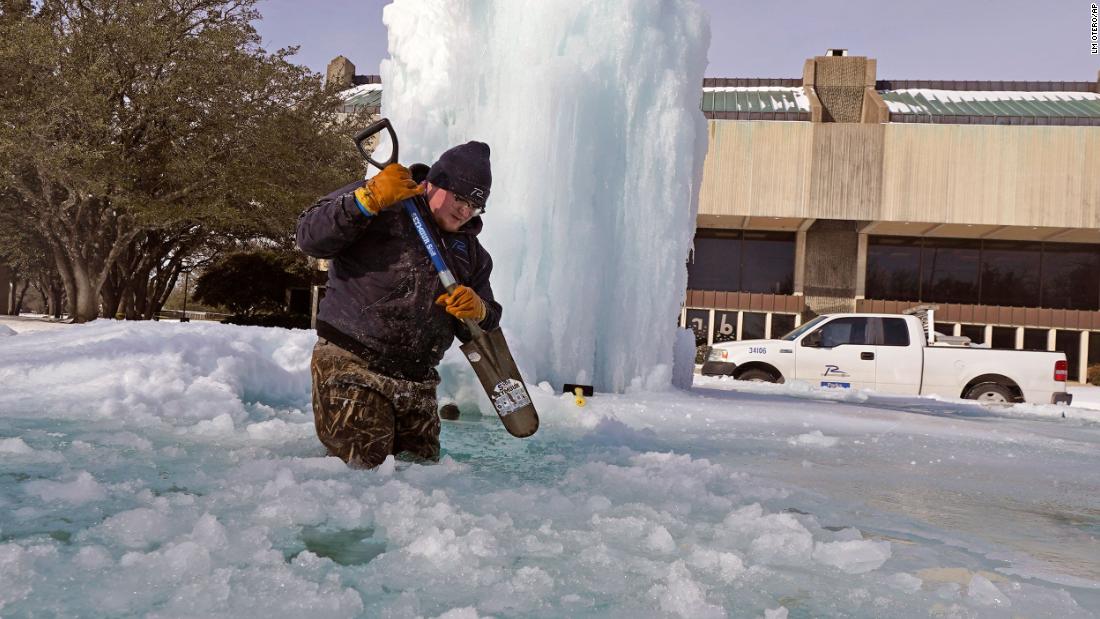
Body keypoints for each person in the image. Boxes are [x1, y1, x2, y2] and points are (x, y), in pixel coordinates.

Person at [295, 141, 501, 468]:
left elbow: (486, 324)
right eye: (460, 198)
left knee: (421, 485)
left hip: (418, 382)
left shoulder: (473, 255)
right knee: (361, 476)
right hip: (353, 365)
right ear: (434, 183)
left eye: (475, 206)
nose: (465, 211)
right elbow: (309, 237)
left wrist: (479, 310)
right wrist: (365, 201)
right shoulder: (384, 198)